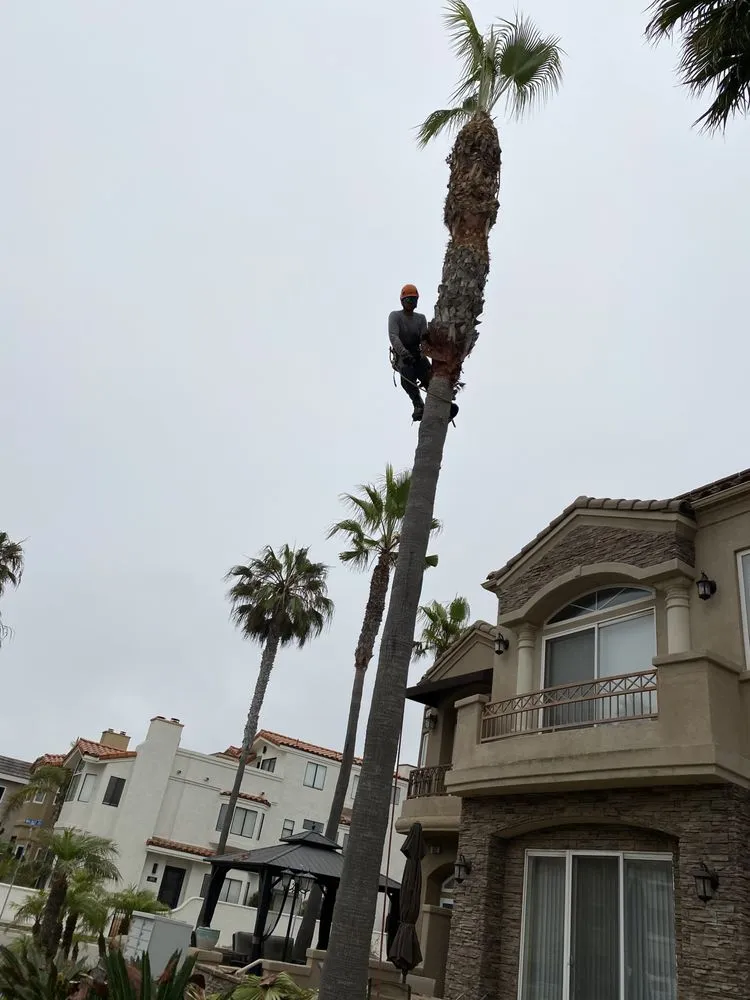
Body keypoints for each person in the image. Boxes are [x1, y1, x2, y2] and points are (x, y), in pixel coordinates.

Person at [388, 284, 458, 422]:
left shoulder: (420, 318)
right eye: (409, 300)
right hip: (402, 356)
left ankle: (443, 403)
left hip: (417, 353)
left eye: (414, 300)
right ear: (402, 301)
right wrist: (404, 354)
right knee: (407, 380)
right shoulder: (395, 316)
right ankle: (418, 405)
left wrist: (428, 352)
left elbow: (424, 339)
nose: (411, 303)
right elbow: (393, 337)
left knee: (429, 377)